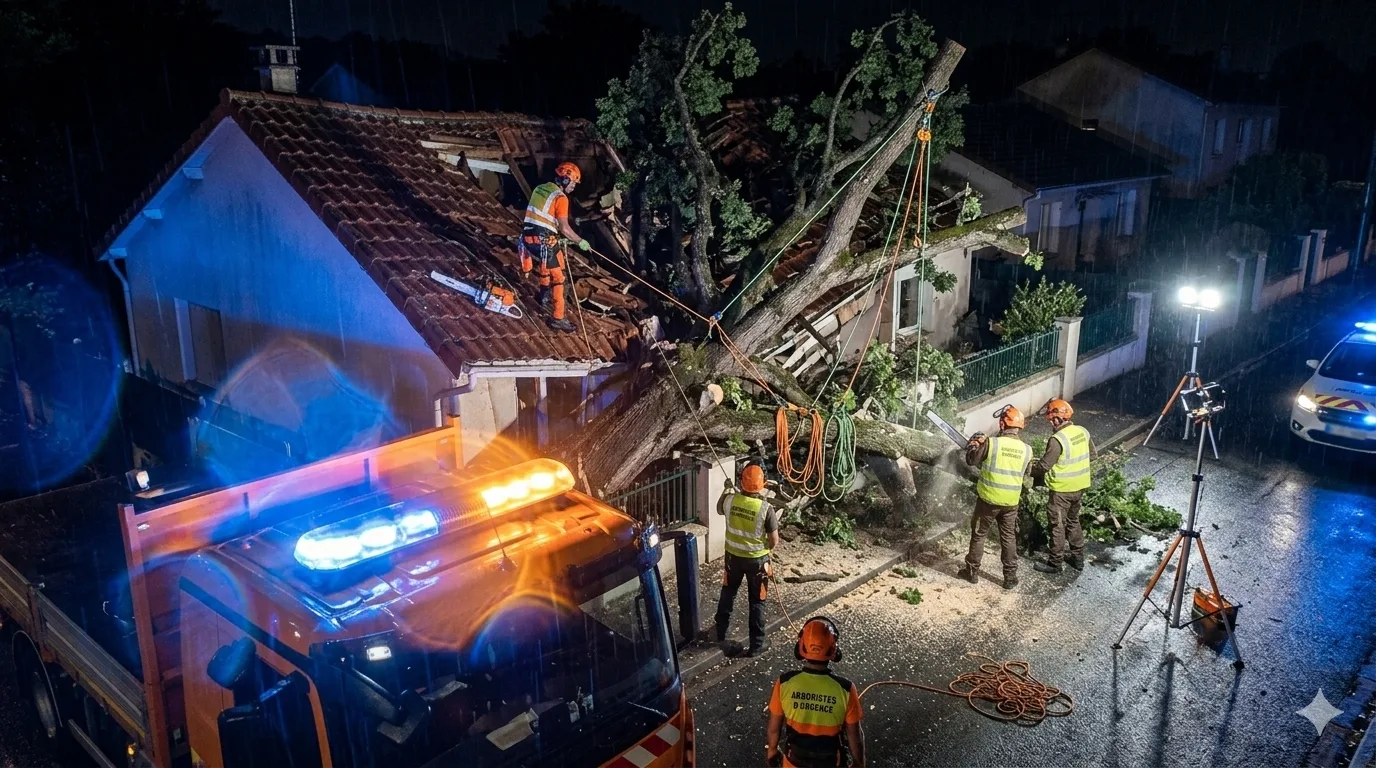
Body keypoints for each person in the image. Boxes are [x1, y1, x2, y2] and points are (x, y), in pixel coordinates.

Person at [766, 617, 865, 768]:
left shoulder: (784, 683)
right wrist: (859, 763)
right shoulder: (846, 689)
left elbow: (774, 728)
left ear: (800, 647)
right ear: (834, 650)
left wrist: (772, 750)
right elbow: (855, 736)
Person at [957, 405, 1032, 590]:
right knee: (1008, 538)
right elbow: (1028, 472)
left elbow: (972, 461)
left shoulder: (992, 443)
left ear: (1002, 423)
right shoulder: (1027, 450)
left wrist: (974, 446)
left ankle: (972, 572)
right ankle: (1010, 577)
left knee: (979, 534)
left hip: (988, 500)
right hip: (1011, 502)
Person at [713, 463, 779, 657]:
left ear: (741, 482)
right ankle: (756, 645)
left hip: (732, 559)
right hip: (757, 563)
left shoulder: (730, 501)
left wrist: (727, 489)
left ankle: (720, 633)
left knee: (728, 593)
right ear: (763, 484)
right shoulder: (766, 509)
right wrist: (765, 548)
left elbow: (719, 507)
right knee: (757, 601)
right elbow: (774, 540)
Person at [520, 161, 590, 332]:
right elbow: (564, 227)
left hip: (528, 239)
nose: (573, 187)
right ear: (565, 180)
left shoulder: (540, 189)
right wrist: (579, 240)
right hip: (543, 241)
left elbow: (543, 220)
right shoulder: (561, 197)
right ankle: (558, 318)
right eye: (573, 183)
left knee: (555, 258)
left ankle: (542, 295)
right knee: (560, 279)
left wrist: (560, 239)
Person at [1032, 399, 1095, 574]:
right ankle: (1077, 558)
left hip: (1061, 491)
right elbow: (1093, 455)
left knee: (1057, 525)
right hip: (1079, 488)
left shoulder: (1057, 440)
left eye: (1051, 419)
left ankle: (1055, 563)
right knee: (1073, 521)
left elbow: (1044, 466)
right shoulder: (1083, 432)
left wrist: (1028, 469)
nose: (1050, 423)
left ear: (1057, 419)